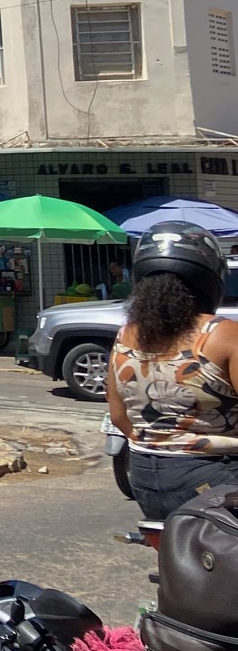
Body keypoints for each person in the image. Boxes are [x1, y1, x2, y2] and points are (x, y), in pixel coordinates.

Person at [107, 221, 238, 523]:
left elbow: (119, 417)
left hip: (144, 479)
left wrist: (162, 445)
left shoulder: (126, 335)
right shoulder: (223, 334)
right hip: (216, 480)